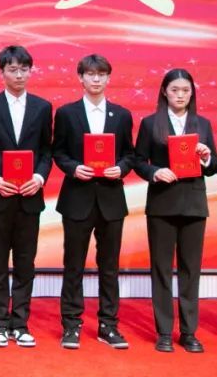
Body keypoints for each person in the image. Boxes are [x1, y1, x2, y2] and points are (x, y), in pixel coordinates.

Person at [0, 45, 52, 348]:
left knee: (26, 263)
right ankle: (0, 324)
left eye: (24, 69)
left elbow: (47, 151)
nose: (19, 75)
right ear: (1, 72)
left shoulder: (43, 107)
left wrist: (39, 178)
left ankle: (21, 323)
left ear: (30, 71)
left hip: (30, 198)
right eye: (12, 69)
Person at [52, 54, 134, 350]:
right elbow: (57, 152)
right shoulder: (66, 113)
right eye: (90, 74)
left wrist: (121, 168)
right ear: (81, 78)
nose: (96, 79)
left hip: (111, 199)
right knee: (73, 264)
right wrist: (74, 167)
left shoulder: (121, 115)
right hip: (77, 198)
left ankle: (108, 325)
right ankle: (71, 324)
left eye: (101, 74)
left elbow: (130, 154)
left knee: (109, 266)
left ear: (109, 78)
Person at [133, 68, 217, 354]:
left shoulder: (202, 124)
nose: (180, 95)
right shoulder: (150, 123)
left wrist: (206, 158)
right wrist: (155, 172)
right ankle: (165, 332)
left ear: (192, 93)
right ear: (164, 92)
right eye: (174, 90)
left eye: (186, 91)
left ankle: (189, 332)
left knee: (190, 270)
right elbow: (138, 161)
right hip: (162, 204)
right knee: (161, 269)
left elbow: (214, 166)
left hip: (194, 205)